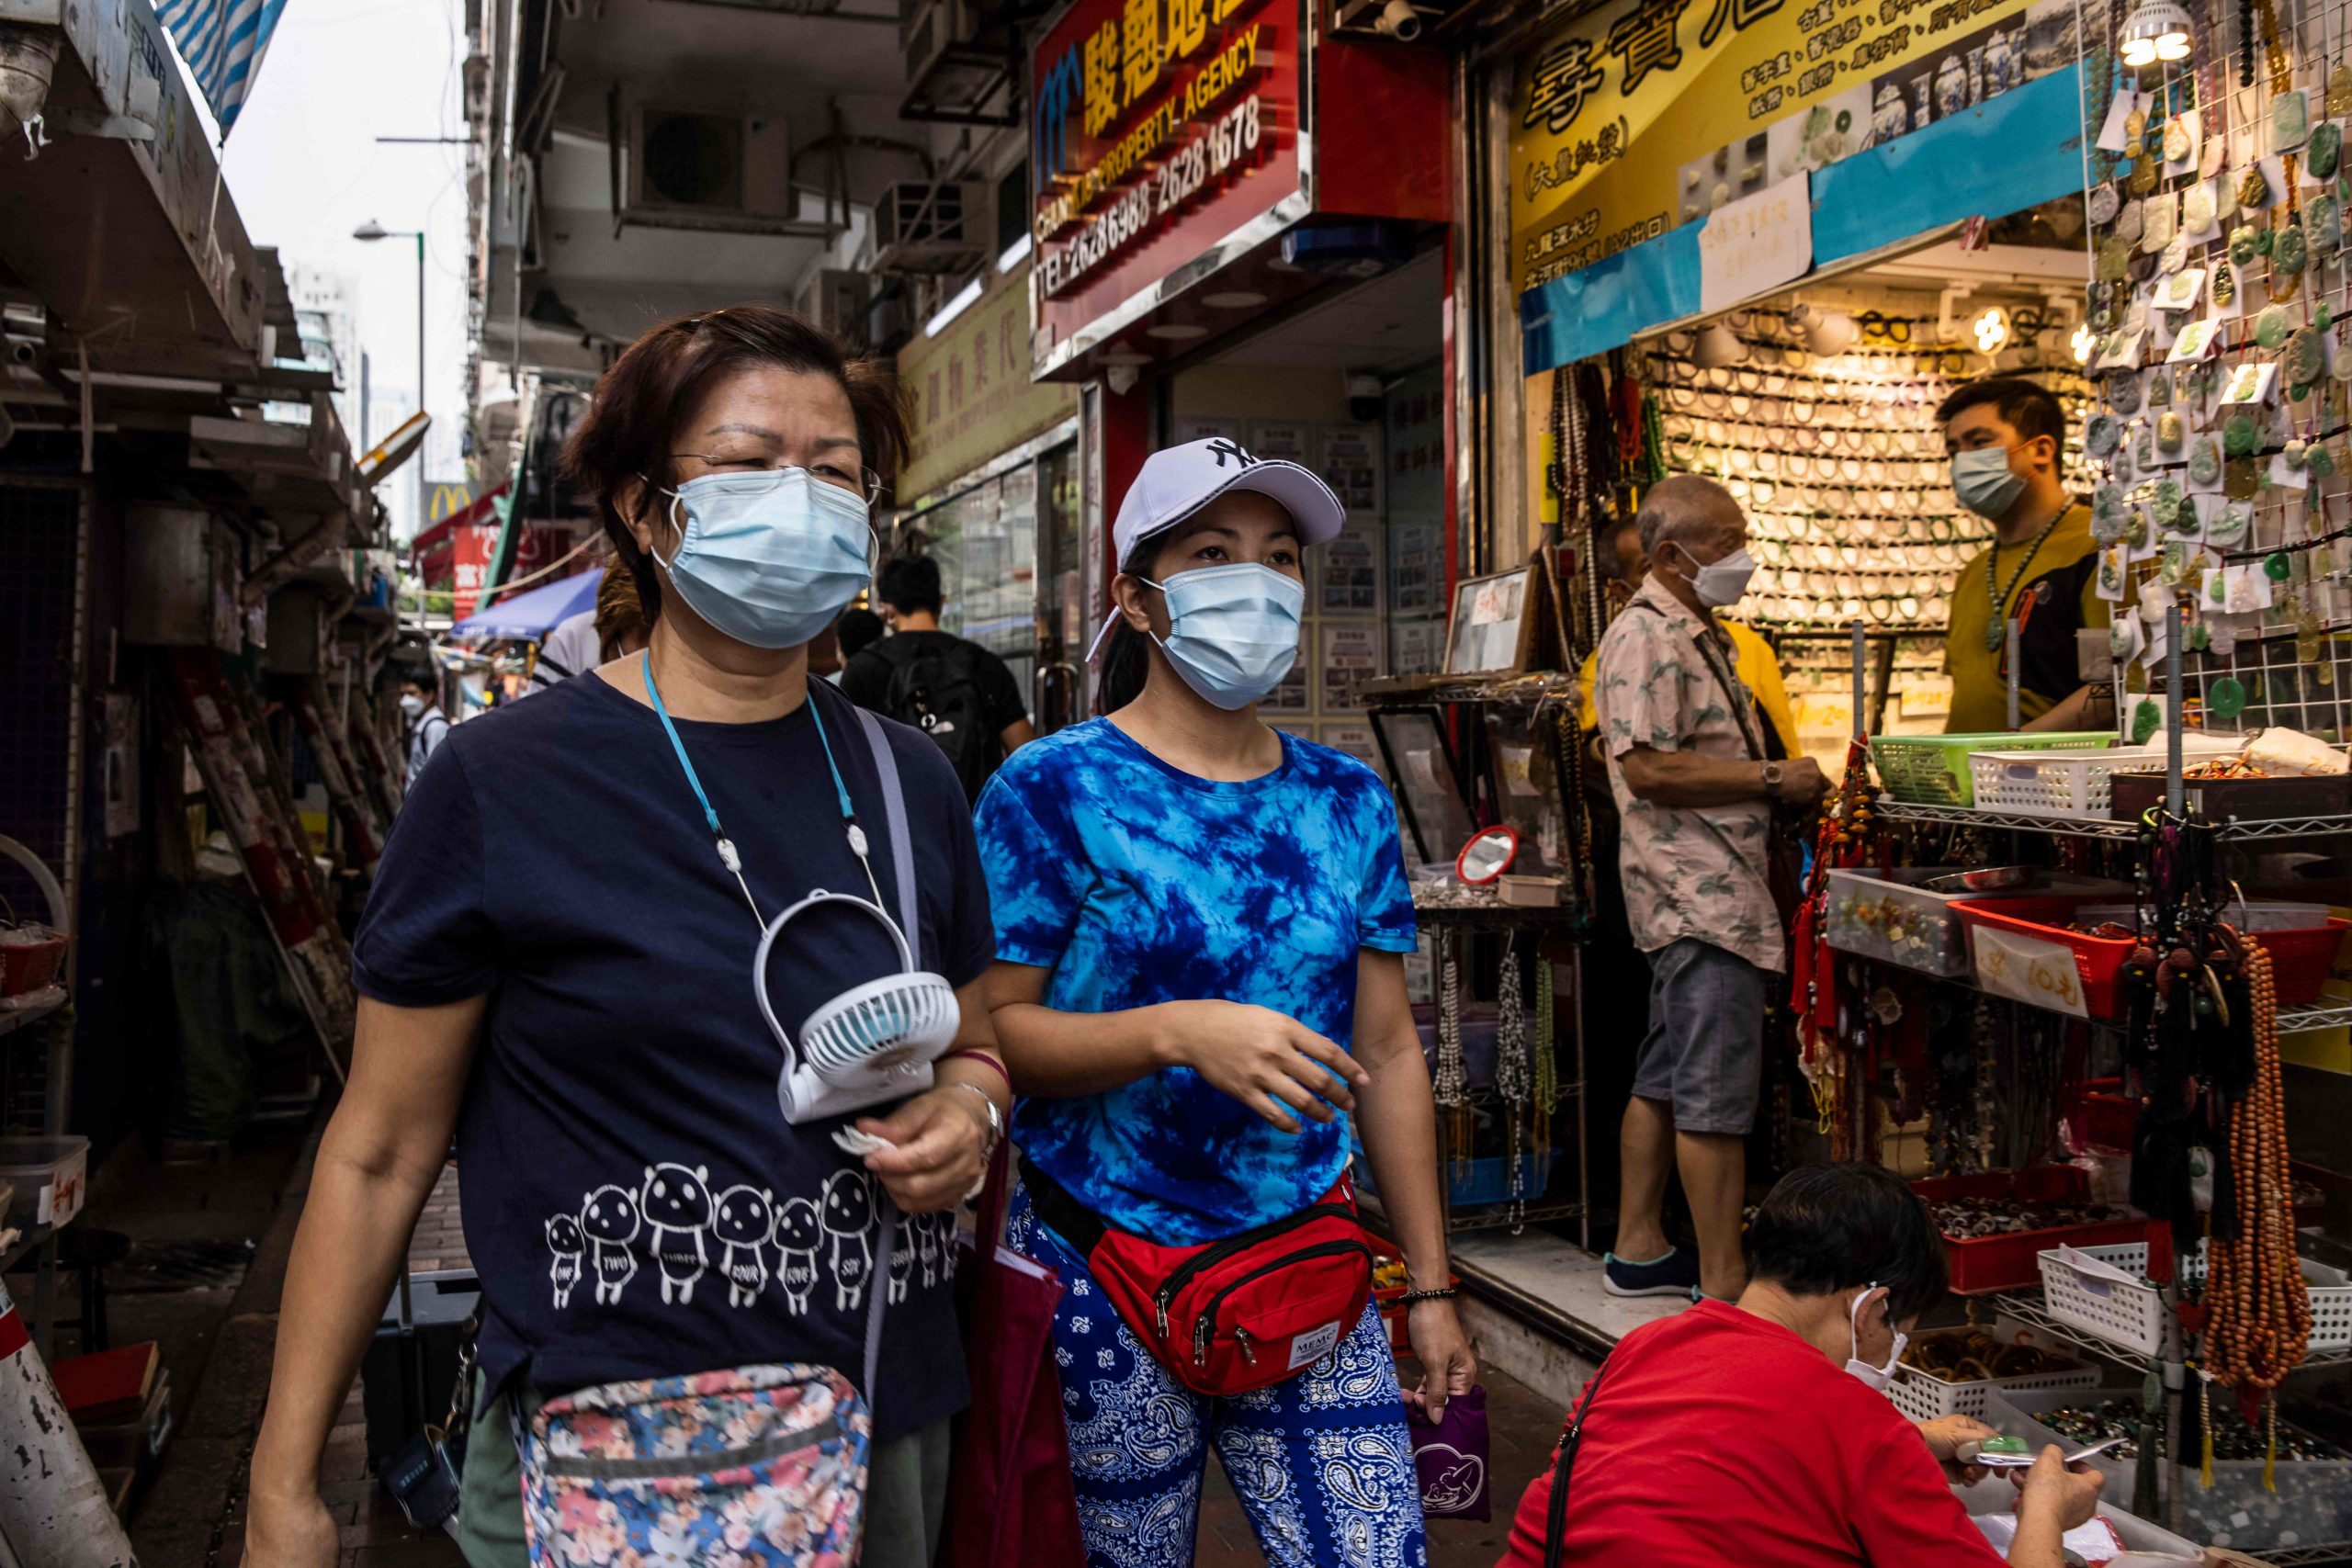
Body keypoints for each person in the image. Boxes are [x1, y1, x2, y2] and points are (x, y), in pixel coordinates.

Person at [242, 305, 1011, 1568]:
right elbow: (379, 1151)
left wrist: (969, 1113)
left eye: (832, 472)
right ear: (648, 513)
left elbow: (978, 1038)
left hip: (884, 1417)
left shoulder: (911, 778)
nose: (799, 498)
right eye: (751, 462)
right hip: (608, 1440)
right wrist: (286, 1480)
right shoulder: (499, 782)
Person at [974, 436, 1476, 1567]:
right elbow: (990, 1032)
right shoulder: (1051, 788)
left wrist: (1432, 1287)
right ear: (1137, 598)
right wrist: (1173, 1033)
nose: (1254, 580)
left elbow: (1389, 1053)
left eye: (1279, 556)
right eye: (1212, 551)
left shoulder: (1345, 801)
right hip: (1101, 1265)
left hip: (1307, 1262)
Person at [1496, 1162, 2109, 1568]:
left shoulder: (1646, 1346)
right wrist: (2045, 1513)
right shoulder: (1854, 1421)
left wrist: (1911, 1442)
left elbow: (1715, 1456)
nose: (1889, 1359)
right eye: (1901, 1332)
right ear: (1872, 1307)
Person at [1591, 475, 1826, 1303]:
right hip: (1702, 896)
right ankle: (1726, 1283)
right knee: (1714, 1097)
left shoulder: (1696, 633)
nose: (1743, 556)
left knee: (1665, 1076)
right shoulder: (1649, 637)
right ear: (1669, 555)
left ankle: (1639, 1247)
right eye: (1726, 543)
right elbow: (1648, 766)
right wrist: (1771, 777)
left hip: (1700, 891)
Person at [1936, 377, 2111, 734]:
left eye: (1979, 443)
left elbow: (2112, 689)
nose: (1961, 464)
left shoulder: (2100, 547)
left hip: (2055, 783)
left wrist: (2009, 751)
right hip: (1973, 781)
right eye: (1954, 451)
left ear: (2042, 450)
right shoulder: (1973, 572)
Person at [1576, 511, 1799, 759]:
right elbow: (1635, 768)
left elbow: (1782, 748)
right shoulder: (1623, 645)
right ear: (1621, 590)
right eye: (1648, 568)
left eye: (1674, 557)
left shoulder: (1747, 645)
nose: (1667, 571)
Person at [842, 555, 1033, 798]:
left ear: (887, 608)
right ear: (940, 602)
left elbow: (845, 762)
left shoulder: (864, 668)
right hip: (974, 823)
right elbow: (1026, 757)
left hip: (897, 826)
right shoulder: (984, 664)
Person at [399, 676, 449, 788]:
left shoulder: (436, 728)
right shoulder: (421, 726)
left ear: (429, 695)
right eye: (402, 695)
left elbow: (439, 776)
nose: (404, 701)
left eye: (412, 694)